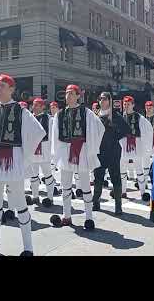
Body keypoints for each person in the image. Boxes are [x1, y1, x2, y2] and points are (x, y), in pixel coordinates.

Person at [0, 74, 46, 256]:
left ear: (11, 89)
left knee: (20, 203)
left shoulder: (21, 111)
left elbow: (38, 132)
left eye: (2, 86)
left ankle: (28, 248)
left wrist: (24, 155)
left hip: (13, 160)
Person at [51, 84, 105, 229]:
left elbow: (100, 127)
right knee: (66, 186)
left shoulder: (86, 112)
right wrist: (55, 155)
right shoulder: (59, 114)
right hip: (65, 150)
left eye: (71, 93)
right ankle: (66, 215)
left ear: (77, 96)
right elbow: (55, 135)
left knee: (85, 185)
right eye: (66, 93)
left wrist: (91, 146)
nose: (67, 96)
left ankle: (88, 217)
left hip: (81, 150)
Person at [92, 92, 130, 214]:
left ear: (109, 100)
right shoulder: (95, 115)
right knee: (98, 177)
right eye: (100, 99)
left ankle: (118, 206)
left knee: (115, 177)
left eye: (104, 99)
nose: (102, 101)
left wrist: (114, 135)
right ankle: (96, 201)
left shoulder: (115, 115)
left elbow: (126, 130)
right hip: (99, 151)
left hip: (113, 151)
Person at [120, 96, 153, 202]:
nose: (126, 106)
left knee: (138, 168)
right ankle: (123, 191)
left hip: (136, 144)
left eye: (128, 104)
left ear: (133, 105)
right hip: (123, 144)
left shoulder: (139, 117)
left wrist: (145, 145)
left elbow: (148, 129)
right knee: (123, 168)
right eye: (124, 104)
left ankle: (143, 192)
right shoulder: (120, 117)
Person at [26, 97, 56, 207]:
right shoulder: (29, 118)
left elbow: (53, 135)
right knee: (33, 176)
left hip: (45, 151)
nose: (33, 107)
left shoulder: (49, 119)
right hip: (32, 151)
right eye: (33, 105)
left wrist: (53, 152)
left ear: (43, 106)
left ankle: (50, 198)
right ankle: (35, 197)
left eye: (36, 105)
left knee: (48, 175)